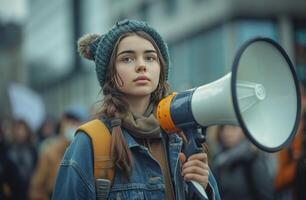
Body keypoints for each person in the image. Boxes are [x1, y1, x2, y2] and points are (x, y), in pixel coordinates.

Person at [52, 19, 220, 200]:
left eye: (150, 57)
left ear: (161, 69)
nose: (141, 65)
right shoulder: (90, 141)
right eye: (127, 58)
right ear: (110, 73)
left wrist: (204, 188)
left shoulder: (181, 136)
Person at [29, 107, 88, 200]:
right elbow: (36, 188)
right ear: (62, 124)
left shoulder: (86, 152)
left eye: (76, 122)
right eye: (69, 121)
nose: (72, 125)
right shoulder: (49, 151)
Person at [212, 125, 274, 200]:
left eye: (233, 127)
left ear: (244, 130)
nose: (226, 133)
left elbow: (265, 195)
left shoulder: (252, 158)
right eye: (223, 128)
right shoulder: (218, 159)